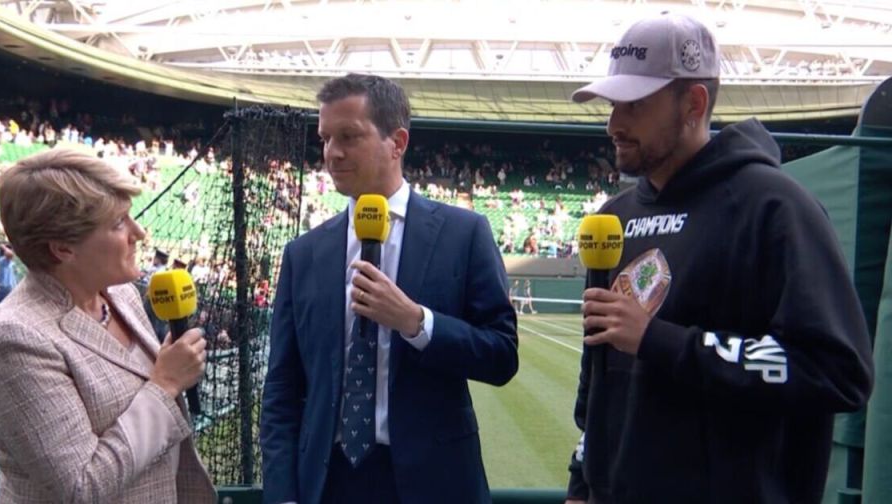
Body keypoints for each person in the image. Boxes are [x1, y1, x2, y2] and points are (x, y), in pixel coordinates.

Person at [564, 14, 873, 504]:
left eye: (635, 105)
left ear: (694, 103)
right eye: (612, 104)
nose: (614, 124)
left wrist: (661, 341)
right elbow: (599, 377)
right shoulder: (615, 217)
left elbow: (836, 371)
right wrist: (582, 482)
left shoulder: (776, 209)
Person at [261, 73, 519, 504]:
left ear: (397, 142)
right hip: (328, 484)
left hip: (432, 484)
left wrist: (417, 323)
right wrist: (283, 494)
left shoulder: (463, 234)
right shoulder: (304, 254)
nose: (332, 153)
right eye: (325, 138)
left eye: (349, 136)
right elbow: (283, 389)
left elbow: (501, 356)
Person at [0, 149, 215, 503]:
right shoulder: (14, 338)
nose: (140, 233)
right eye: (119, 223)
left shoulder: (121, 294)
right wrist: (165, 385)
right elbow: (80, 487)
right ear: (62, 249)